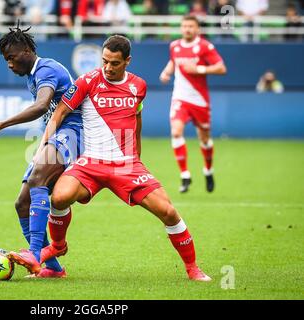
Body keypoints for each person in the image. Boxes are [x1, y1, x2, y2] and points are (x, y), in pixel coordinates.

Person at [15, 34, 212, 282]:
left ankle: (193, 268)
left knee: (169, 212)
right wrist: (43, 145)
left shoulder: (138, 86)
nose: (108, 68)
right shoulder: (87, 81)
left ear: (127, 61)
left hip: (126, 165)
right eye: (104, 61)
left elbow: (137, 118)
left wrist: (136, 157)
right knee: (59, 197)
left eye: (114, 63)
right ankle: (57, 246)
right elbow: (60, 113)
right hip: (91, 163)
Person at [0, 22, 83, 278]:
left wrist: (0, 124)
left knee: (37, 180)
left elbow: (41, 106)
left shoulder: (46, 69)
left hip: (74, 133)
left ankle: (34, 254)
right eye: (6, 61)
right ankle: (54, 269)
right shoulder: (34, 75)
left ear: (26, 50)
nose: (9, 65)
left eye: (11, 58)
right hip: (56, 135)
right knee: (22, 203)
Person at [159, 15, 227, 193]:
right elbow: (173, 61)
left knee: (204, 139)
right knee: (176, 132)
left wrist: (199, 69)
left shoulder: (204, 46)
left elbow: (221, 67)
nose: (187, 29)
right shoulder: (174, 46)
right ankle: (185, 175)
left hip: (199, 100)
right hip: (180, 97)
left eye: (191, 26)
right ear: (181, 28)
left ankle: (208, 170)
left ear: (197, 29)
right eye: (184, 26)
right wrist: (166, 72)